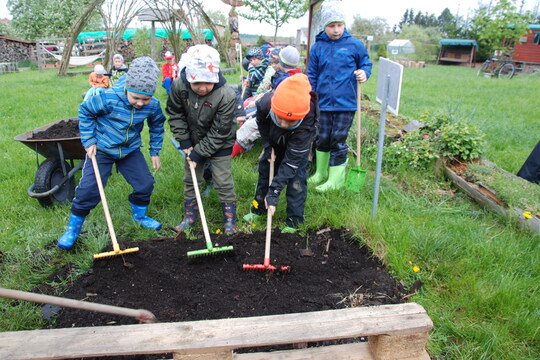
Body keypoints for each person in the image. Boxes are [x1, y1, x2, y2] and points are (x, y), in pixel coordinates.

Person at [58, 57, 166, 250]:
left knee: (145, 184)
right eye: (136, 98)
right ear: (127, 89)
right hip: (103, 149)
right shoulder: (109, 97)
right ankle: (73, 229)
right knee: (89, 190)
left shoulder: (153, 105)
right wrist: (89, 141)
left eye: (146, 98)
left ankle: (139, 216)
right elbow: (85, 112)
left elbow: (157, 125)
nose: (140, 103)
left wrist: (154, 151)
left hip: (130, 149)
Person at [167, 44, 238, 235]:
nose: (202, 88)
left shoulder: (226, 94)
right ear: (188, 76)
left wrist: (200, 152)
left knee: (223, 181)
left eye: (208, 82)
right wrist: (185, 142)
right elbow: (175, 114)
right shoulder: (178, 86)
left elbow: (220, 130)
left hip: (220, 142)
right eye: (197, 83)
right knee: (191, 179)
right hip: (192, 140)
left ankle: (230, 220)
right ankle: (190, 217)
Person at [307, 0, 372, 192]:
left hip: (346, 103)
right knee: (322, 137)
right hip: (323, 102)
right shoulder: (318, 47)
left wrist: (364, 73)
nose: (336, 30)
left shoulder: (355, 45)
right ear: (324, 26)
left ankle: (336, 180)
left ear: (344, 25)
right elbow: (312, 73)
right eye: (331, 26)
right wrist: (312, 95)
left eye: (339, 25)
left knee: (337, 139)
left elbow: (366, 64)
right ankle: (321, 173)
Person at [242, 74, 319, 233]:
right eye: (281, 118)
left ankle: (294, 221)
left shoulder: (308, 120)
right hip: (274, 141)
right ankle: (258, 209)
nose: (284, 124)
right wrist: (268, 146)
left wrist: (274, 193)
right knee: (264, 175)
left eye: (290, 121)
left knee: (296, 182)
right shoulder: (265, 104)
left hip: (296, 149)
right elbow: (262, 125)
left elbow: (291, 162)